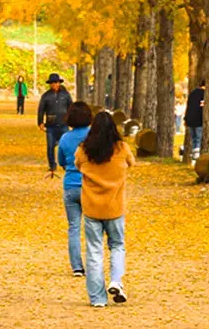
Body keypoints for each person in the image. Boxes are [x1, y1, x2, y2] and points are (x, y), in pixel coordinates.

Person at [76, 110, 134, 308]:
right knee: (117, 245)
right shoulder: (122, 148)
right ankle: (116, 281)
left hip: (91, 208)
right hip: (115, 207)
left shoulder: (84, 150)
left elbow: (77, 165)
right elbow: (131, 163)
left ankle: (97, 298)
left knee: (94, 251)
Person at [57, 101, 93, 277]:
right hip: (90, 185)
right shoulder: (93, 136)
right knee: (92, 226)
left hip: (70, 185)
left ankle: (77, 266)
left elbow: (61, 161)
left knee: (73, 227)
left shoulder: (65, 138)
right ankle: (93, 262)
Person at [37, 73, 73, 178]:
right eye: (52, 83)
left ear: (59, 83)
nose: (54, 84)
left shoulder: (65, 95)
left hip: (64, 124)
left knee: (66, 146)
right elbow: (41, 110)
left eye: (56, 82)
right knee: (50, 146)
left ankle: (66, 164)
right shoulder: (46, 96)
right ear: (50, 84)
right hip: (51, 125)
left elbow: (71, 107)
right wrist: (40, 122)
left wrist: (72, 121)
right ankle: (52, 164)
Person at [184, 82, 205, 155]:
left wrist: (186, 119)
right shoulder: (204, 94)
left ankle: (194, 153)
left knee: (194, 139)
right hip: (198, 120)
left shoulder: (192, 93)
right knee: (199, 138)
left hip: (190, 119)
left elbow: (188, 106)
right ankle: (196, 155)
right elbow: (202, 107)